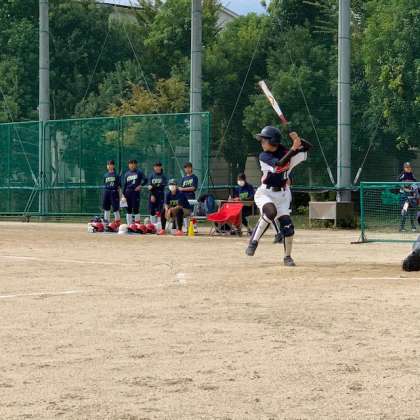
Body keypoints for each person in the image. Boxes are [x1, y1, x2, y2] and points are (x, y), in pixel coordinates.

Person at [245, 126, 310, 267]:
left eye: (264, 140)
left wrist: (298, 139)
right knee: (270, 212)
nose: (262, 142)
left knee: (288, 227)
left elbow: (307, 148)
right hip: (265, 193)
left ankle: (287, 257)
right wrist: (294, 148)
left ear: (273, 141)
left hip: (283, 195)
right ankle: (254, 241)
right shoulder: (264, 156)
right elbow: (279, 165)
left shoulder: (287, 152)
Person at [122, 159, 147, 226]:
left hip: (135, 192)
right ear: (129, 165)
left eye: (134, 164)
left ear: (136, 165)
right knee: (128, 210)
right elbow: (125, 185)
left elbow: (145, 180)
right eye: (130, 164)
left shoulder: (139, 172)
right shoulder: (127, 173)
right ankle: (129, 225)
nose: (132, 165)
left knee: (136, 209)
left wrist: (140, 185)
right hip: (127, 193)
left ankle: (137, 226)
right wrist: (123, 195)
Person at [102, 160, 121, 232]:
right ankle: (106, 225)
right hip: (106, 192)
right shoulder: (105, 175)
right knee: (106, 209)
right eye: (108, 165)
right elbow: (105, 184)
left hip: (114, 192)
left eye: (110, 164)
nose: (109, 166)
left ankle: (117, 225)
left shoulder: (116, 175)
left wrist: (121, 196)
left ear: (113, 166)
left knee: (115, 209)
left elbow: (119, 187)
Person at [398, 162, 417, 232]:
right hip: (404, 196)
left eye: (409, 167)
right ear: (404, 168)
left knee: (412, 211)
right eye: (406, 167)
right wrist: (404, 189)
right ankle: (401, 227)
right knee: (404, 210)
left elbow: (415, 183)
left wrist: (413, 190)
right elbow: (398, 182)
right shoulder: (402, 175)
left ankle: (413, 227)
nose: (408, 168)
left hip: (411, 196)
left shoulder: (412, 175)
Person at [147, 162, 167, 226]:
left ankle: (159, 226)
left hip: (160, 195)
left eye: (159, 166)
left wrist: (154, 186)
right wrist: (152, 194)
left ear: (161, 167)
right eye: (156, 166)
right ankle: (152, 226)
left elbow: (162, 185)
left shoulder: (163, 176)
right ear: (154, 167)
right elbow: (149, 186)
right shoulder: (151, 175)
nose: (157, 168)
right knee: (152, 211)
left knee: (160, 211)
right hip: (152, 195)